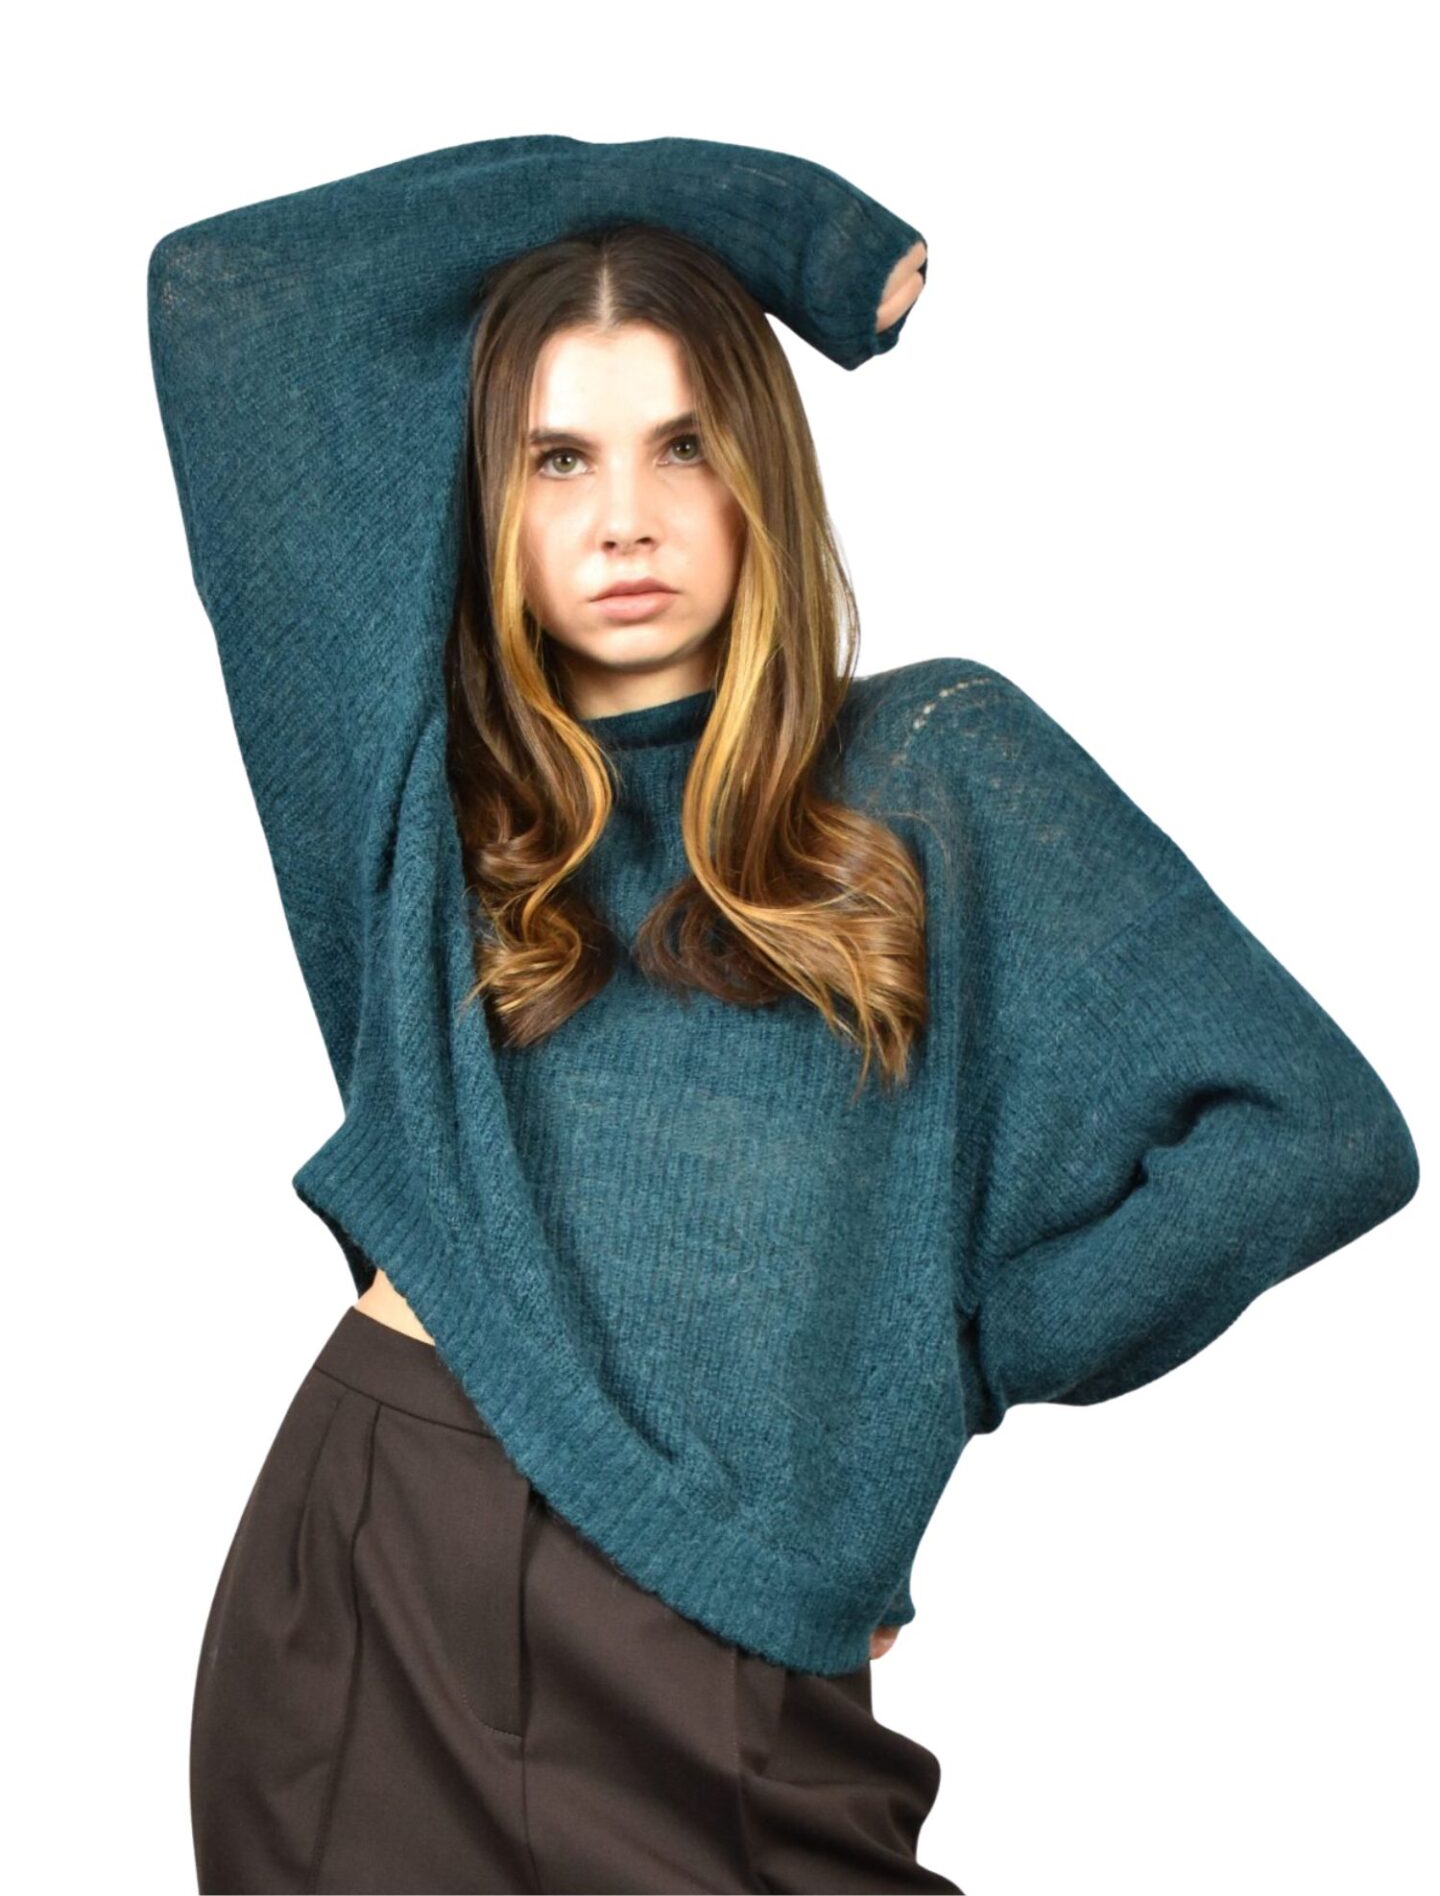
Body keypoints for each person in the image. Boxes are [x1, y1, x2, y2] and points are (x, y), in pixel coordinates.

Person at [147, 134, 1419, 1895]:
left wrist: (947, 1360)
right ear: (489, 499)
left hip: (736, 1642)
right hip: (396, 1568)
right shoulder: (416, 800)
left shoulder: (934, 768)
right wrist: (742, 215)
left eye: (684, 445)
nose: (625, 517)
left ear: (762, 475)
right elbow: (228, 296)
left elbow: (1319, 1134)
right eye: (558, 458)